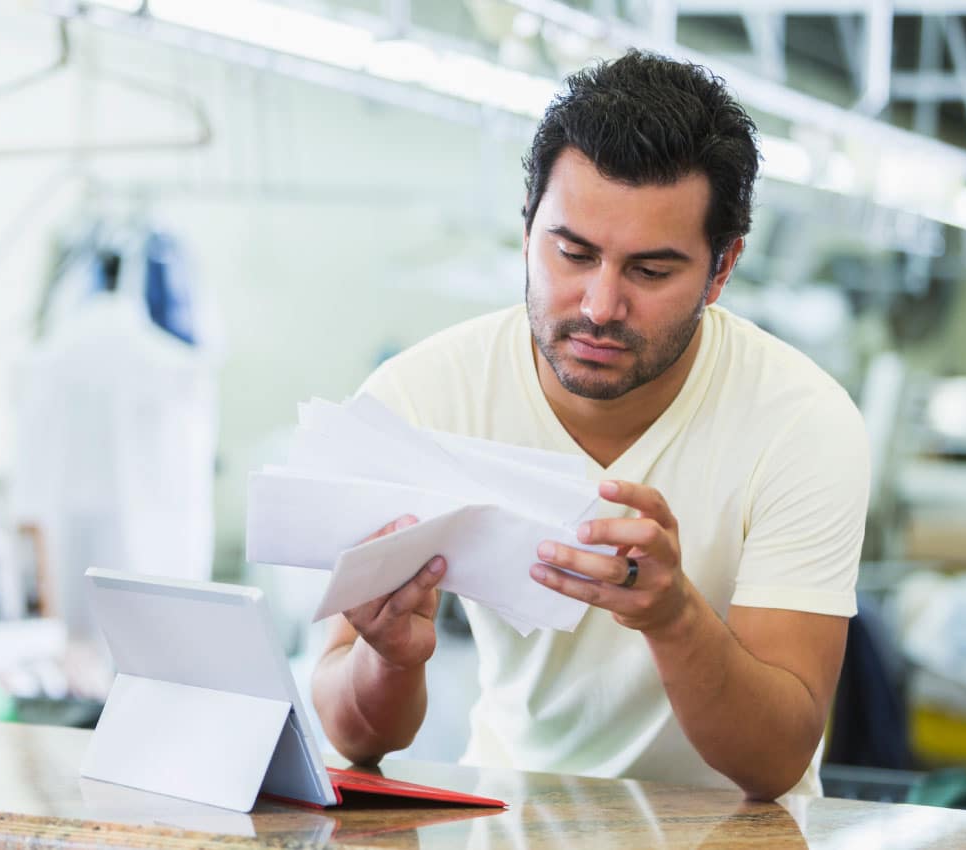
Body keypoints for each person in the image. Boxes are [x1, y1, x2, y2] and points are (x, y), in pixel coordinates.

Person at [311, 49, 869, 801]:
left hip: (735, 833)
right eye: (572, 253)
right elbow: (355, 739)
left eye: (651, 271)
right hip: (508, 814)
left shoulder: (801, 422)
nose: (601, 305)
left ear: (723, 267)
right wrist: (389, 657)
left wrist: (673, 617)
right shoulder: (421, 397)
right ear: (527, 232)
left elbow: (774, 763)